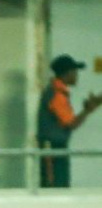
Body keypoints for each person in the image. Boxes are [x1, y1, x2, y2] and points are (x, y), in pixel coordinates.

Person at [37, 54, 102, 188]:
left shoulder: (57, 92)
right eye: (75, 71)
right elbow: (72, 124)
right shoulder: (57, 94)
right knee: (55, 187)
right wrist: (88, 110)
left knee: (59, 185)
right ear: (67, 73)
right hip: (52, 150)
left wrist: (90, 107)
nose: (77, 75)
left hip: (54, 148)